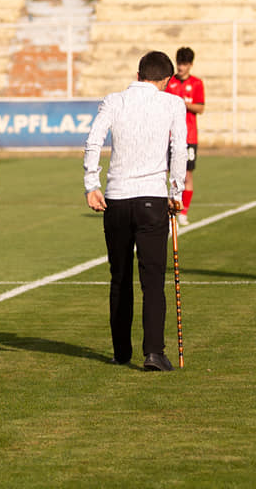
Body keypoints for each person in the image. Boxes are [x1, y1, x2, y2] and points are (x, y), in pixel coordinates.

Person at [83, 51, 186, 372]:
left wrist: (91, 183)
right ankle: (154, 352)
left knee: (120, 277)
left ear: (138, 73)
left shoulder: (114, 100)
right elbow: (178, 149)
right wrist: (176, 190)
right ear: (167, 80)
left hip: (116, 198)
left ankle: (121, 351)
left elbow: (93, 140)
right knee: (152, 279)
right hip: (152, 199)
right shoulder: (172, 103)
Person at [165, 46, 205, 226]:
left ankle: (183, 212)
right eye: (179, 63)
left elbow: (200, 108)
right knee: (164, 173)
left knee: (187, 175)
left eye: (184, 64)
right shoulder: (169, 82)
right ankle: (166, 209)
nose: (181, 68)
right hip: (168, 136)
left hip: (189, 137)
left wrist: (183, 104)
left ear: (190, 65)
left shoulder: (196, 83)